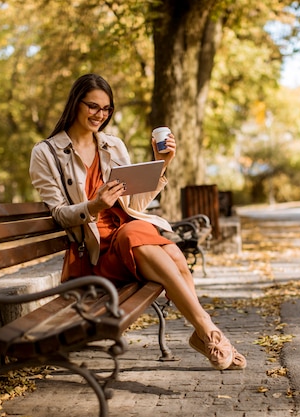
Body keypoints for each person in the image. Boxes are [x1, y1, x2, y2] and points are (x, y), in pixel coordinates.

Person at [29, 73, 246, 371]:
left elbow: (135, 205)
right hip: (94, 256)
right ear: (75, 104)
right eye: (93, 106)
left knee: (159, 244)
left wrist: (162, 162)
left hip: (129, 240)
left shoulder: (113, 145)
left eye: (106, 109)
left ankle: (204, 331)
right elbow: (57, 215)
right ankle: (206, 330)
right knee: (144, 238)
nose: (100, 115)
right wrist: (92, 206)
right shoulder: (46, 153)